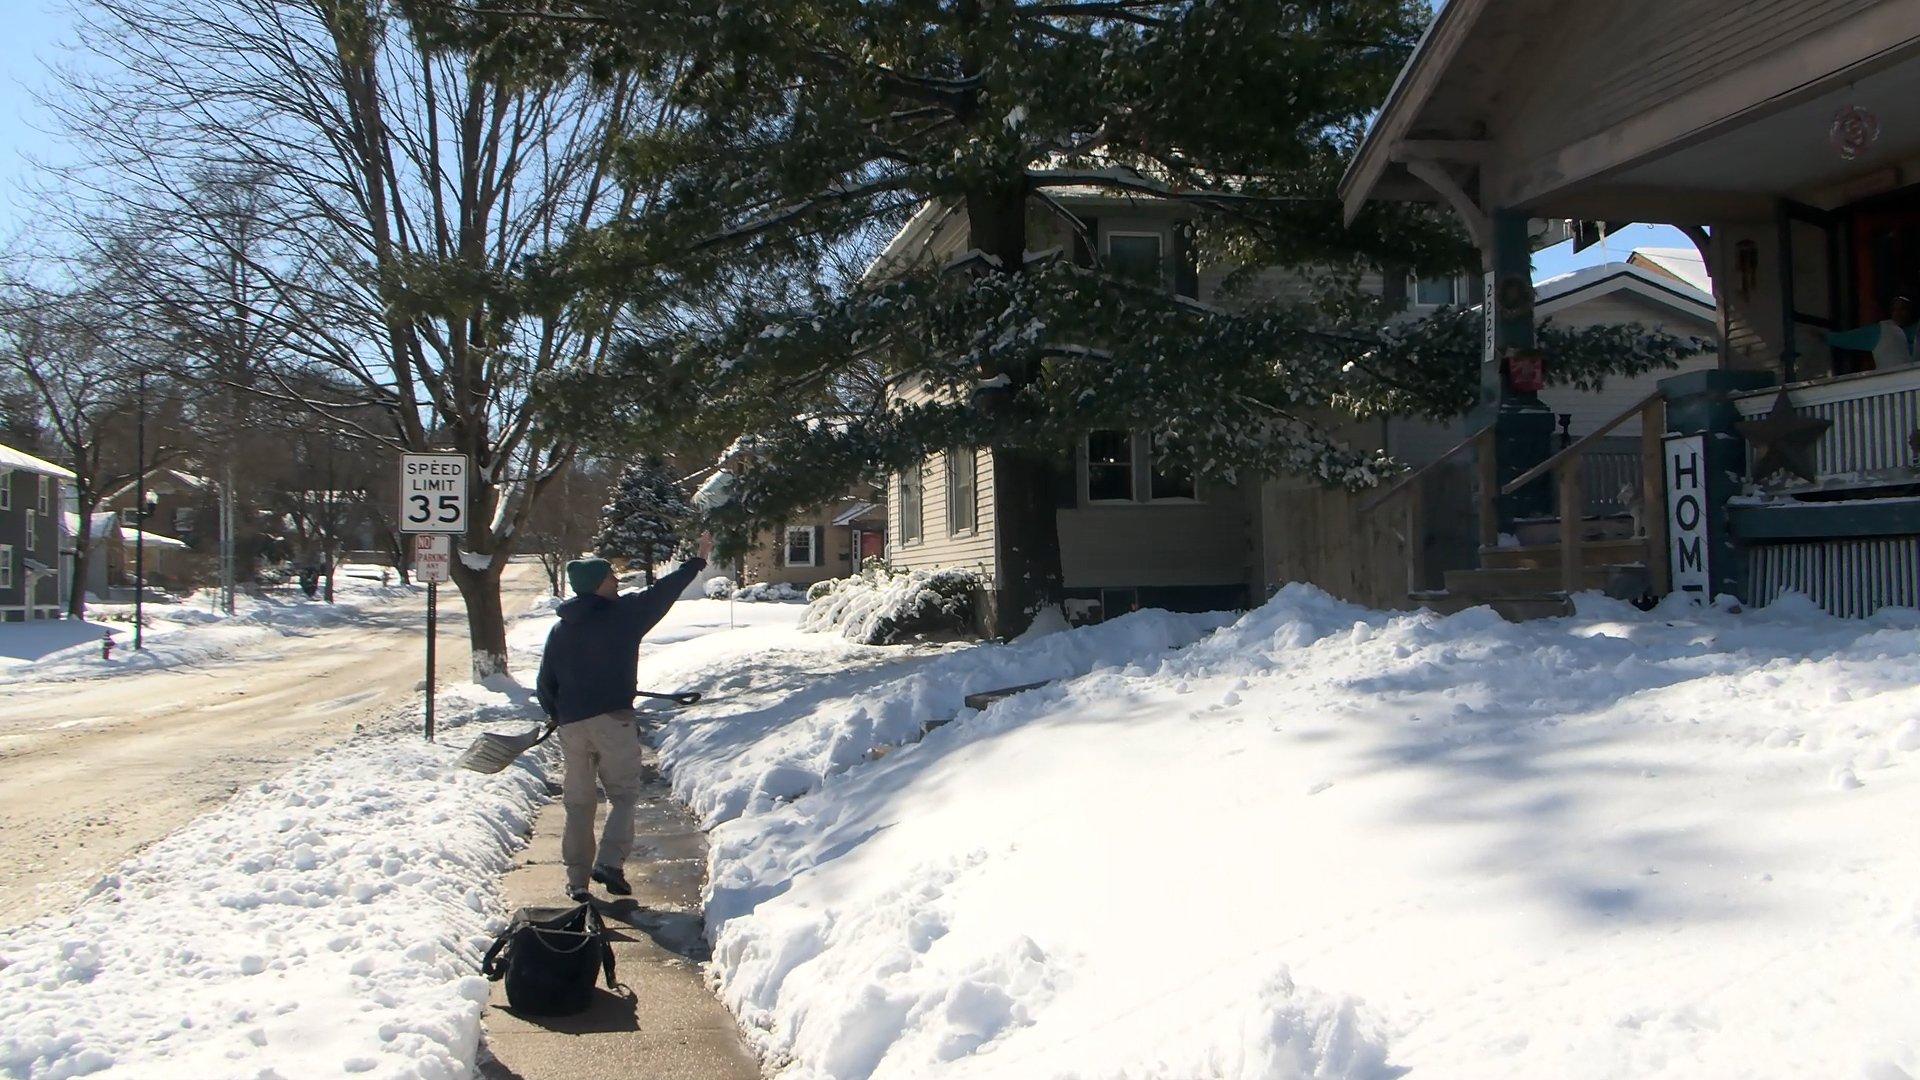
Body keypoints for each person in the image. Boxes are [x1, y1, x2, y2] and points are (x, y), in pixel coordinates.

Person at [535, 554, 707, 902]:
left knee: (579, 804)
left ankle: (577, 882)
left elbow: (545, 684)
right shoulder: (624, 616)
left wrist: (560, 714)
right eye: (610, 576)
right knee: (623, 794)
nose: (616, 580)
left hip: (571, 726)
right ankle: (610, 862)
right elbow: (663, 592)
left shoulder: (561, 629)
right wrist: (695, 563)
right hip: (614, 721)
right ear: (598, 584)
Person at [1825, 295, 1916, 370]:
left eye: (1903, 309)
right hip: (1889, 388)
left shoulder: (1916, 332)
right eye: (1894, 310)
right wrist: (1824, 336)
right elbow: (1846, 338)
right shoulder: (1881, 330)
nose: (1898, 313)